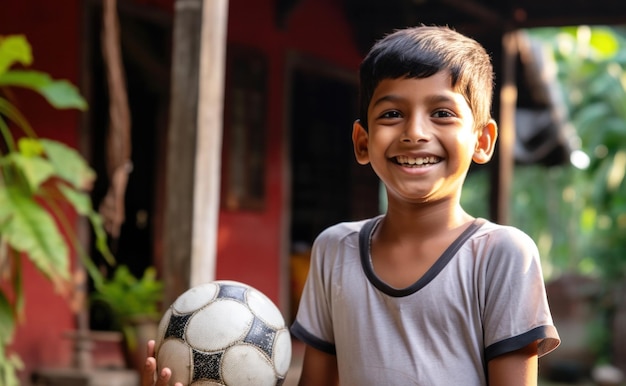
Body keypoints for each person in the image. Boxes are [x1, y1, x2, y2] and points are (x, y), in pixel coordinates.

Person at [142, 25, 560, 386]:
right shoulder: (334, 250)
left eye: (442, 113)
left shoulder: (502, 255)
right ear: (362, 142)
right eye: (392, 113)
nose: (415, 132)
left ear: (483, 141)